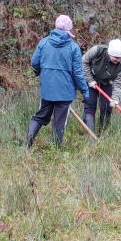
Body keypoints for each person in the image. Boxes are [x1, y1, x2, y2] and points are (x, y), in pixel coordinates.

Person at [27, 15, 89, 148]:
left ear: (55, 26)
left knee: (40, 117)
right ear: (69, 29)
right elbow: (78, 74)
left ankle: (28, 144)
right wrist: (85, 91)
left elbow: (34, 62)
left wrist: (39, 70)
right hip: (65, 92)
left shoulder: (44, 42)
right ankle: (55, 151)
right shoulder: (74, 47)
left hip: (47, 90)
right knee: (59, 122)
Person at [81, 38, 121, 135]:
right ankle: (90, 133)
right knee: (90, 103)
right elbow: (84, 61)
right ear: (109, 53)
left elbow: (119, 84)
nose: (117, 60)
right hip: (91, 81)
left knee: (107, 107)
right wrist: (90, 80)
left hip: (106, 83)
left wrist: (115, 99)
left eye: (119, 58)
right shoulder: (97, 50)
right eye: (115, 57)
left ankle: (102, 134)